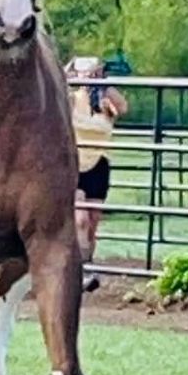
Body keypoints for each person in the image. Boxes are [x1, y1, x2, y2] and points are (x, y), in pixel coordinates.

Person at [66, 55, 128, 288]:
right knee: (80, 219)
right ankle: (80, 270)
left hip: (99, 163)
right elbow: (57, 88)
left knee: (92, 222)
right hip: (75, 162)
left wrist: (103, 83)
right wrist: (71, 71)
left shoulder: (105, 103)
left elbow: (123, 107)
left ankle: (87, 264)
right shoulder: (72, 98)